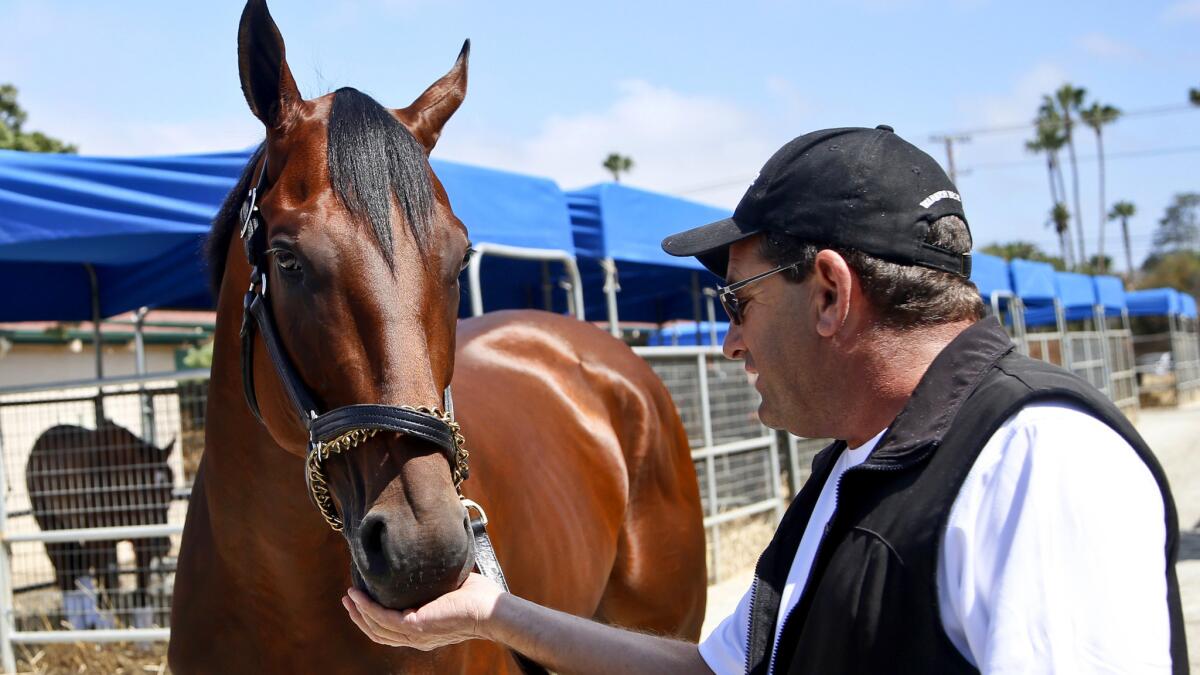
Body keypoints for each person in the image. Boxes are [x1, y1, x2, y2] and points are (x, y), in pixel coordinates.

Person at [343, 126, 1187, 673]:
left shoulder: (1039, 462)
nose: (730, 342)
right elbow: (713, 672)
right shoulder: (859, 468)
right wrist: (494, 613)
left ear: (828, 291)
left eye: (737, 302)